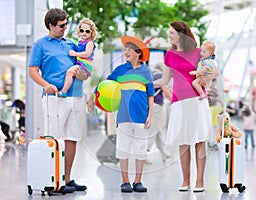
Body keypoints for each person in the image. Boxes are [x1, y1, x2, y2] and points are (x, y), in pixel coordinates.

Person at [154, 20, 219, 192]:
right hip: (178, 102)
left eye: (172, 33)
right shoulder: (169, 54)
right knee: (183, 143)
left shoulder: (198, 52)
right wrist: (145, 84)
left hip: (197, 101)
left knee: (199, 141)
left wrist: (204, 78)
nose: (169, 36)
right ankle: (186, 180)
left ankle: (199, 181)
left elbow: (215, 71)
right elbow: (165, 80)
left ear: (181, 34)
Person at [29, 8, 88, 193]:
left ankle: (67, 179)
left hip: (75, 97)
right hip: (54, 97)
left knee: (72, 138)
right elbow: (33, 71)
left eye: (66, 24)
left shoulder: (70, 43)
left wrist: (80, 73)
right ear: (51, 25)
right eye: (61, 26)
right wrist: (45, 84)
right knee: (54, 139)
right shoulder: (40, 45)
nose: (65, 28)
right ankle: (53, 180)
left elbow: (84, 67)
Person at [88, 35, 154, 193]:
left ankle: (138, 181)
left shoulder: (146, 72)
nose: (126, 52)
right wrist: (92, 97)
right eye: (125, 49)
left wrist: (149, 115)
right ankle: (125, 181)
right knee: (123, 149)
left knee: (140, 149)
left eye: (129, 49)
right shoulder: (119, 70)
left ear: (138, 53)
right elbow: (105, 85)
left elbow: (150, 95)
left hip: (141, 117)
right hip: (123, 117)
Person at [57, 18, 97, 97]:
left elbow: (87, 54)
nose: (84, 33)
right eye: (82, 30)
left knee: (69, 72)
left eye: (87, 31)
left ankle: (64, 91)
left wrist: (75, 54)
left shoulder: (90, 43)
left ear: (92, 33)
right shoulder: (81, 42)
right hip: (81, 65)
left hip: (84, 66)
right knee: (70, 73)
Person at [146, 64, 172, 164]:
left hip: (150, 106)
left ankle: (163, 152)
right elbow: (166, 91)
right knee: (153, 130)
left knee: (158, 129)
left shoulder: (150, 75)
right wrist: (175, 101)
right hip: (156, 107)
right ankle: (143, 154)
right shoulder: (160, 76)